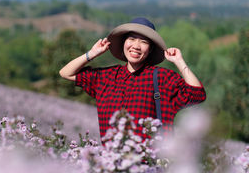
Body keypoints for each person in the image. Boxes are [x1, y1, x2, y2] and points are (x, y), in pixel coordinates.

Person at [59, 17, 206, 139]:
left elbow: (197, 94)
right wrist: (92, 54)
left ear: (150, 50)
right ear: (124, 43)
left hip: (149, 166)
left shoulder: (161, 78)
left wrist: (180, 62)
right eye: (132, 39)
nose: (136, 46)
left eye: (144, 42)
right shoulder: (106, 77)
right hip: (112, 165)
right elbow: (66, 73)